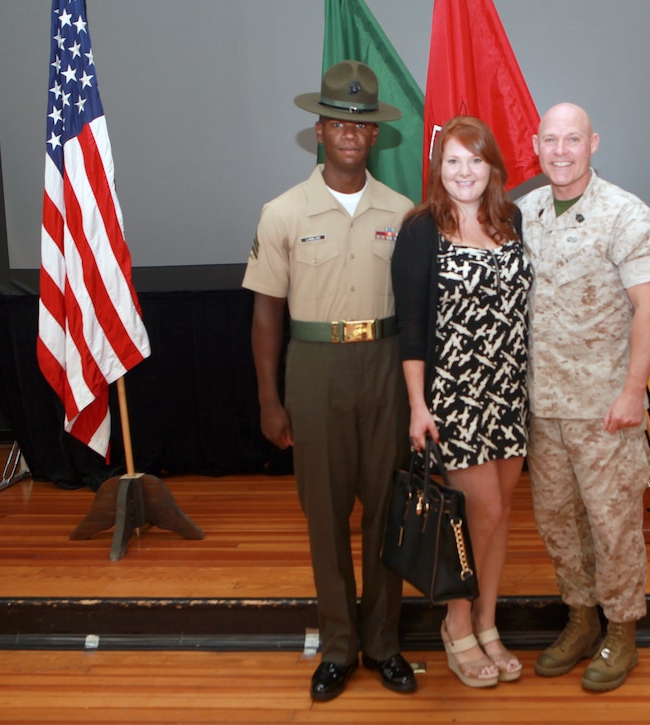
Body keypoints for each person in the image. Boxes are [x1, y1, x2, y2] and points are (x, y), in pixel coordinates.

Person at [242, 60, 417, 702]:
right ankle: (339, 645)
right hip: (313, 371)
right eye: (338, 120)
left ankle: (384, 643)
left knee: (385, 510)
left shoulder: (403, 213)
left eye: (361, 122)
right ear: (318, 130)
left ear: (375, 135)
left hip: (386, 367)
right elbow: (265, 311)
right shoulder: (282, 212)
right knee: (325, 515)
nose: (349, 130)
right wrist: (270, 397)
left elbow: (419, 311)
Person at [517, 102, 650, 693]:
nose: (560, 151)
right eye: (550, 140)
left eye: (572, 139)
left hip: (606, 408)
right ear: (535, 144)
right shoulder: (523, 213)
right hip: (543, 405)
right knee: (558, 523)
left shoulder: (624, 214)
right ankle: (580, 620)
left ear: (593, 143)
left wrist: (634, 391)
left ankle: (622, 633)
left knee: (612, 524)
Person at [392, 116, 531, 689]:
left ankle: (487, 621)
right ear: (438, 168)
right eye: (453, 160)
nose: (464, 171)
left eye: (475, 160)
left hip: (510, 393)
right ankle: (455, 623)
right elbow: (412, 329)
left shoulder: (511, 218)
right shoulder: (421, 228)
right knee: (480, 514)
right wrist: (418, 406)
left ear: (492, 166)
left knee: (498, 519)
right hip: (456, 397)